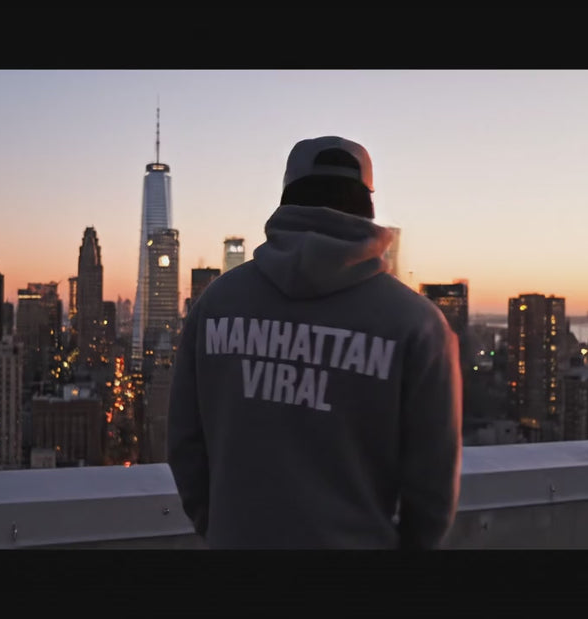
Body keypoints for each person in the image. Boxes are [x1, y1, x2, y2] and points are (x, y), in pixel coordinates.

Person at [167, 135, 463, 549]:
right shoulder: (419, 324)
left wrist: (220, 529)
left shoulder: (216, 303)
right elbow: (432, 494)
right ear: (370, 207)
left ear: (286, 200)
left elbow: (184, 443)